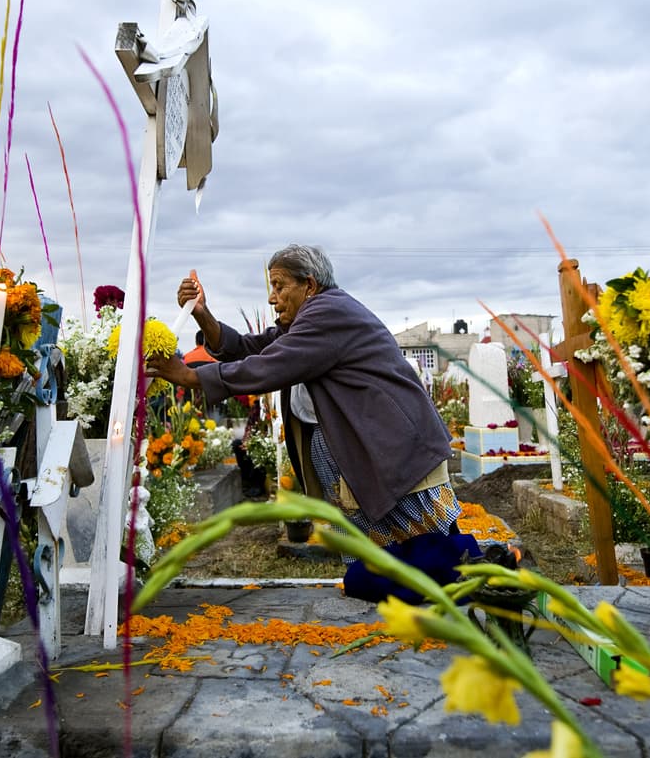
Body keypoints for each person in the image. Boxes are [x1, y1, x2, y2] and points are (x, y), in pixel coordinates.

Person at [146, 244, 477, 601]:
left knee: (422, 548)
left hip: (393, 449)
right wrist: (202, 314)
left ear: (310, 284)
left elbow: (269, 366)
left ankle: (476, 573)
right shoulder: (311, 318)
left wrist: (190, 377)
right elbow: (248, 347)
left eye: (279, 286)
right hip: (370, 452)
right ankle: (452, 579)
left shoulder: (327, 313)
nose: (273, 299)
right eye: (271, 288)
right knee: (377, 564)